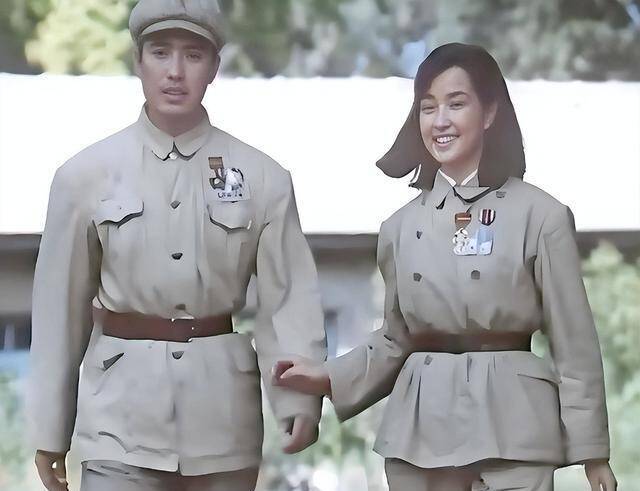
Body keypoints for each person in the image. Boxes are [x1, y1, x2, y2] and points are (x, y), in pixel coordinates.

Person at [273, 43, 617, 491]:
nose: (440, 121)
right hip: (422, 426)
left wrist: (593, 452)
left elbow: (574, 343)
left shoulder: (541, 216)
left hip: (514, 427)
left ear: (489, 113)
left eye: (456, 104)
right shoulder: (399, 228)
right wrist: (329, 374)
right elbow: (396, 339)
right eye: (428, 107)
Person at [27, 1, 326, 490]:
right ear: (138, 61)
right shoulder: (83, 176)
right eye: (160, 52)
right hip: (117, 425)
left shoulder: (263, 178)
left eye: (193, 55)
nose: (175, 71)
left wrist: (298, 399)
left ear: (214, 67)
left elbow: (288, 302)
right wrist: (49, 428)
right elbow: (59, 311)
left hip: (222, 425)